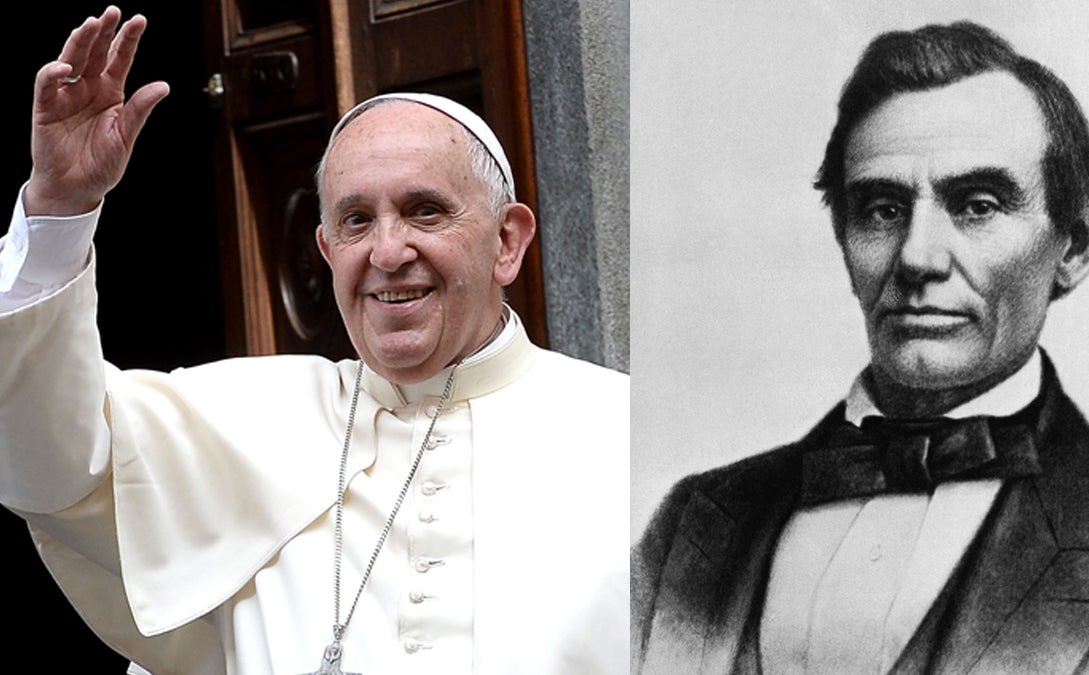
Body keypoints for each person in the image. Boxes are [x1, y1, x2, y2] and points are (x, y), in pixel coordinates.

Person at [0, 6, 628, 674]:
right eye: (357, 220)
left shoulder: (633, 435)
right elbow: (52, 456)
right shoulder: (245, 417)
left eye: (425, 210)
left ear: (506, 242)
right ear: (327, 250)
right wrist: (60, 208)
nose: (388, 251)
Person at [632, 20, 1089, 675]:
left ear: (1075, 241)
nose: (918, 257)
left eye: (977, 205)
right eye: (882, 209)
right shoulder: (692, 526)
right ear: (843, 234)